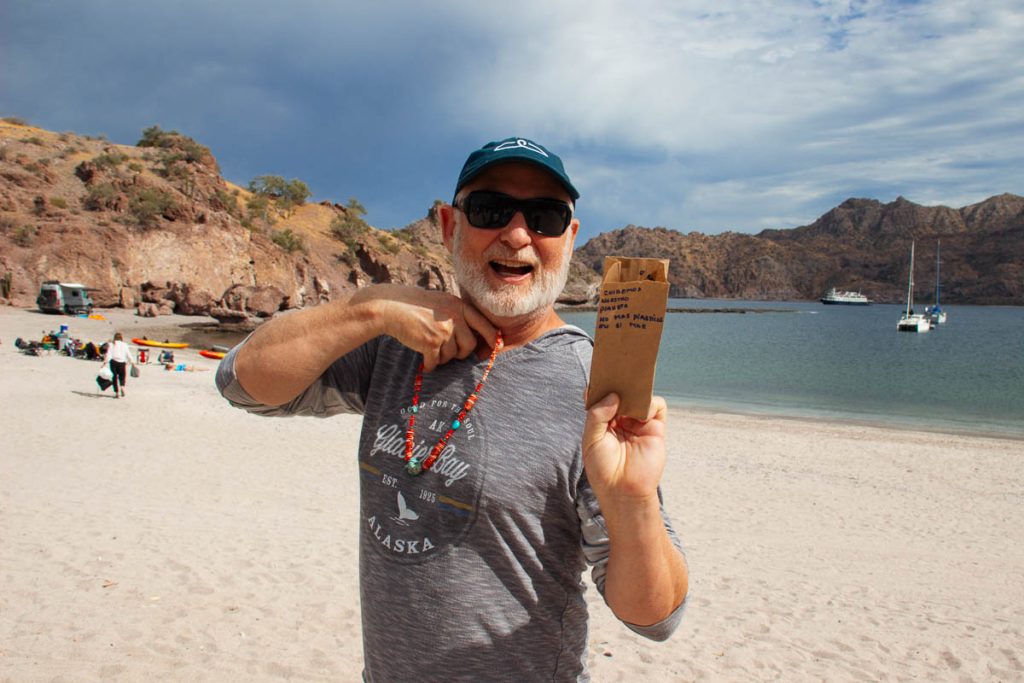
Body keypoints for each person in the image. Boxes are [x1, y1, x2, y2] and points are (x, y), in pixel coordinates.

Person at [217, 136, 688, 681]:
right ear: (449, 226)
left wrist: (630, 500)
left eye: (545, 216)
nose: (517, 235)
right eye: (490, 210)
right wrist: (371, 308)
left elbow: (656, 618)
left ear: (569, 238)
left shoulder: (591, 387)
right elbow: (242, 384)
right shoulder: (396, 343)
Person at [104, 332, 135, 398]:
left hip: (113, 362)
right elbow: (128, 354)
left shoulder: (112, 344)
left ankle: (117, 393)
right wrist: (132, 362)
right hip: (122, 363)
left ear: (114, 338)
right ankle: (122, 387)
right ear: (121, 338)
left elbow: (109, 354)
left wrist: (105, 363)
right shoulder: (124, 344)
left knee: (114, 377)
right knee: (122, 376)